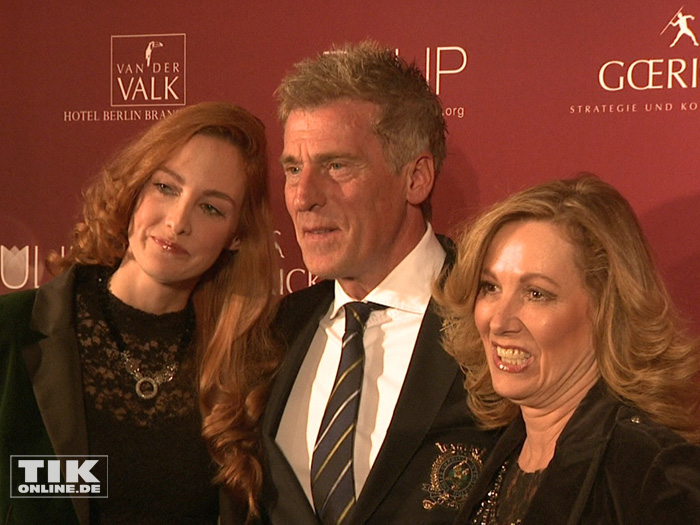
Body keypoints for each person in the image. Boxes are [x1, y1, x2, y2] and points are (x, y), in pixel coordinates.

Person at [0, 102, 280, 524]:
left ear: (237, 236)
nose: (178, 221)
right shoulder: (13, 328)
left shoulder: (246, 371)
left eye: (211, 208)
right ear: (134, 188)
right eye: (166, 187)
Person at [261, 40, 497, 524]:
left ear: (416, 178)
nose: (303, 197)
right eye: (292, 168)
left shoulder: (495, 318)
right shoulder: (274, 332)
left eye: (337, 165)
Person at [437, 174, 700, 524]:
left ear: (606, 310)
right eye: (490, 287)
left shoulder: (653, 472)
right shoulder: (496, 450)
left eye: (536, 294)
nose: (499, 321)